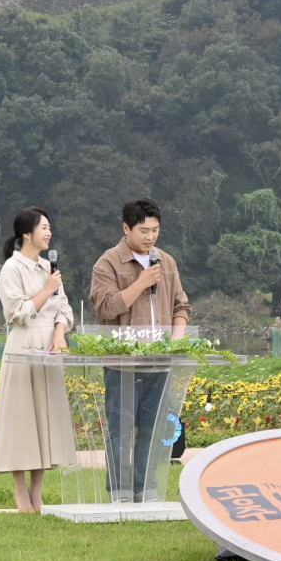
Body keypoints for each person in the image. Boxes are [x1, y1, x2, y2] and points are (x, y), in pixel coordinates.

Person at [89, 197, 191, 502]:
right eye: (143, 231)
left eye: (155, 230)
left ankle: (146, 489)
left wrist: (177, 339)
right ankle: (120, 491)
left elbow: (181, 305)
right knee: (120, 432)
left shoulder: (166, 262)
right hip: (122, 364)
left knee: (153, 430)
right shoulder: (108, 263)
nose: (150, 237)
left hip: (161, 363)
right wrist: (142, 282)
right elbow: (107, 307)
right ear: (126, 228)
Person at [0, 207, 75, 512]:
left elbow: (64, 308)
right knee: (22, 417)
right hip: (24, 344)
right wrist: (47, 289)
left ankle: (37, 490)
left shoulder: (48, 267)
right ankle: (19, 489)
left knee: (45, 417)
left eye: (50, 227)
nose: (49, 233)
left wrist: (59, 333)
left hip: (50, 346)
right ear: (27, 234)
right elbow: (17, 312)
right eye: (44, 228)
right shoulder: (12, 269)